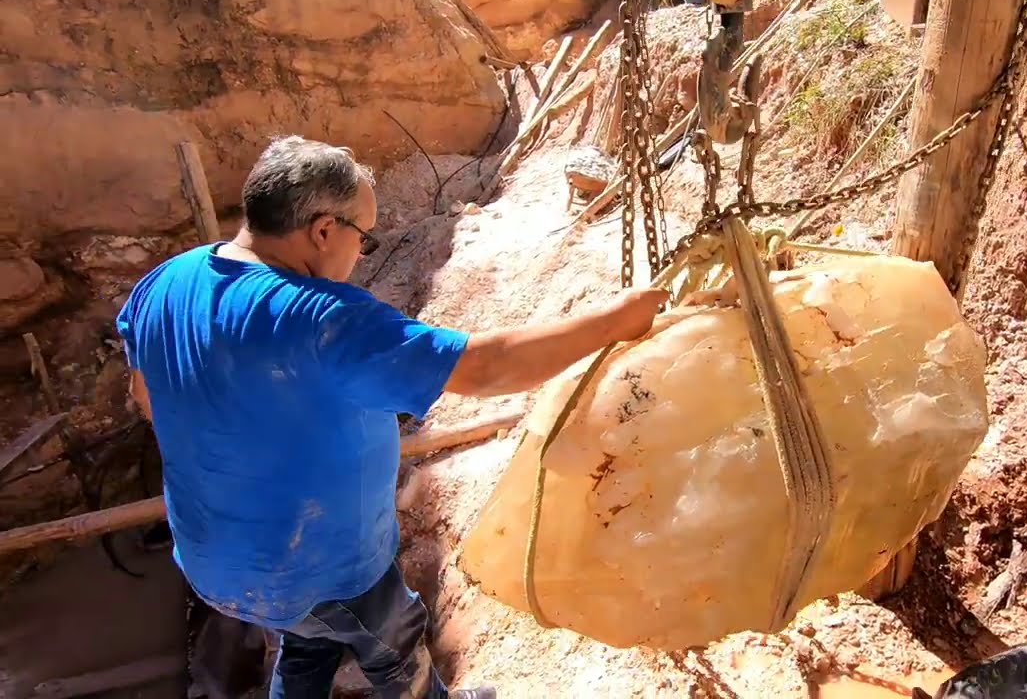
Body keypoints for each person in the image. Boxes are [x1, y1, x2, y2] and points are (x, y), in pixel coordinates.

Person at [117, 136, 667, 699]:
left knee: (306, 641)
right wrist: (615, 321)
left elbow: (147, 397)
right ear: (324, 230)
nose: (361, 253)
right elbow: (482, 369)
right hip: (324, 573)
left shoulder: (165, 281)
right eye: (364, 236)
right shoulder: (322, 318)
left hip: (214, 562)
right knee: (397, 650)